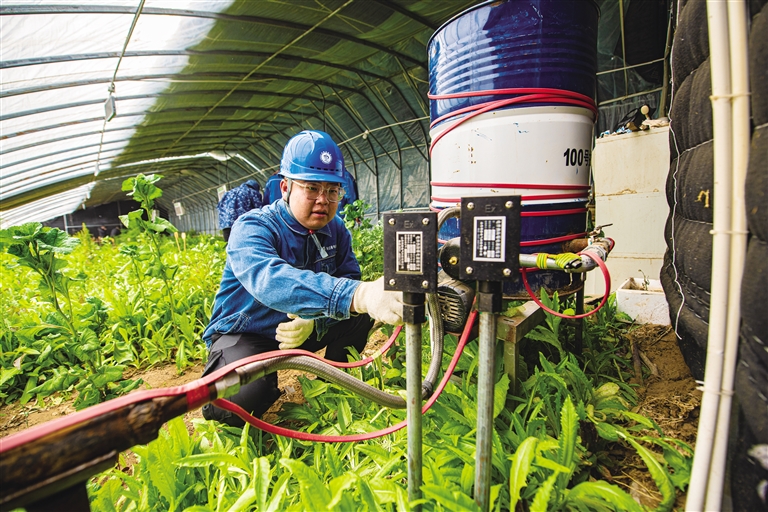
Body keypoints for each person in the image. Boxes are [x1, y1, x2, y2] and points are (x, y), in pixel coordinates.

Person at [201, 130, 404, 427]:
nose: (323, 200)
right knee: (237, 399)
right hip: (249, 334)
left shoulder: (335, 230)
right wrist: (358, 294)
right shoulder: (252, 227)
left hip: (304, 332)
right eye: (311, 188)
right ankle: (239, 394)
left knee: (358, 316)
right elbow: (270, 280)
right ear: (286, 187)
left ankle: (333, 382)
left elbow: (349, 277)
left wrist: (315, 321)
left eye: (333, 190)